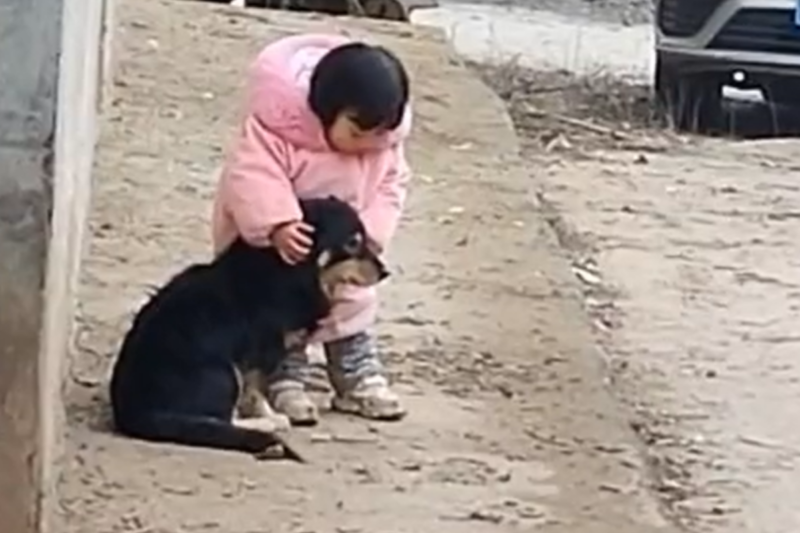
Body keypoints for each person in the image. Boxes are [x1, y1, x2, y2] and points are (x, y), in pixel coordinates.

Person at [212, 33, 412, 425]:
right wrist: (277, 222)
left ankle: (355, 373)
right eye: (357, 132)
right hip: (280, 250)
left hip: (340, 252)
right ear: (324, 110)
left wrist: (370, 232)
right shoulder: (277, 130)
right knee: (279, 311)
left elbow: (393, 184)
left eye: (380, 134)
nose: (368, 144)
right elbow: (252, 173)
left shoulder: (383, 145)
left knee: (353, 298)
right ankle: (285, 376)